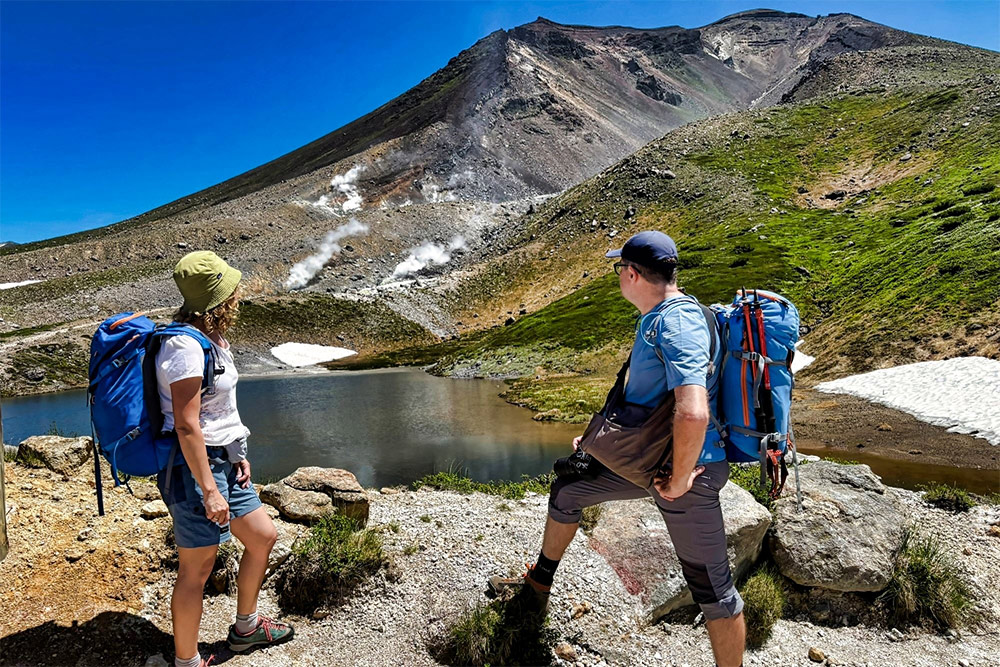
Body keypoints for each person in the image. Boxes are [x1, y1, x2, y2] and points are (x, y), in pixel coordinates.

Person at [490, 231, 745, 667]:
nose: (618, 276)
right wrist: (602, 445)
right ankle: (537, 585)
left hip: (683, 476)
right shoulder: (665, 316)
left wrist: (680, 479)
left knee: (714, 592)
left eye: (619, 268)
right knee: (569, 489)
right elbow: (645, 405)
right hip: (649, 463)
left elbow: (693, 413)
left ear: (632, 274)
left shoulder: (676, 322)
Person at [156, 251, 293, 667]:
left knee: (262, 536)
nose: (238, 295)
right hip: (195, 469)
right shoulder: (184, 346)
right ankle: (186, 661)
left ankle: (246, 630)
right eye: (231, 290)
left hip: (223, 462)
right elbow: (187, 426)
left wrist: (237, 454)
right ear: (217, 299)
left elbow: (218, 413)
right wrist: (210, 490)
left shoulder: (210, 340)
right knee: (196, 571)